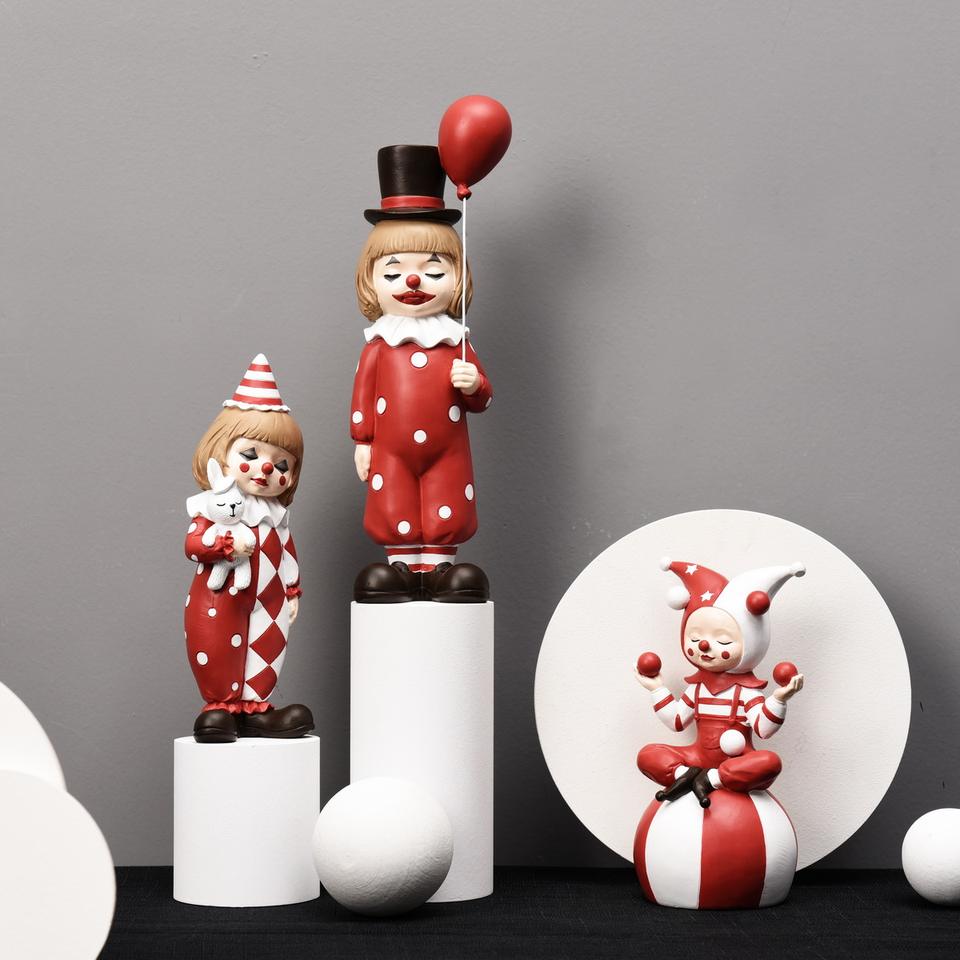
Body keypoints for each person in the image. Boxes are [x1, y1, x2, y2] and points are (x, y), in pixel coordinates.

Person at [350, 145, 492, 603]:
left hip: (447, 448)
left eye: (433, 270)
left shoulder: (455, 340)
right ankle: (401, 569)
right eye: (394, 273)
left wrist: (475, 385)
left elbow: (482, 398)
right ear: (370, 280)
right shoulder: (380, 344)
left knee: (444, 498)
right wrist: (363, 441)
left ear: (457, 277)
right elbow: (363, 394)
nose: (413, 282)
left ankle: (441, 569)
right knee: (394, 500)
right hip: (390, 449)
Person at [184, 354, 313, 743]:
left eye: (282, 464)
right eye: (251, 455)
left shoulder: (276, 516)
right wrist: (225, 544)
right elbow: (195, 544)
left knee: (268, 645)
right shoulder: (217, 507)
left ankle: (256, 709)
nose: (267, 468)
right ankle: (221, 708)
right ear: (221, 454)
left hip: (270, 600)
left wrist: (292, 590)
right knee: (218, 644)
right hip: (220, 597)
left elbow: (286, 553)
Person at [634, 558, 805, 805]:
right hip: (695, 757)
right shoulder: (698, 689)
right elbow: (677, 721)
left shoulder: (746, 692)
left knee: (769, 763)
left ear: (751, 643)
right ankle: (686, 775)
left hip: (735, 762)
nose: (704, 645)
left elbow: (763, 729)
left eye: (723, 641)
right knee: (648, 754)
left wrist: (779, 698)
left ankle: (712, 779)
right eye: (695, 638)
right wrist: (656, 688)